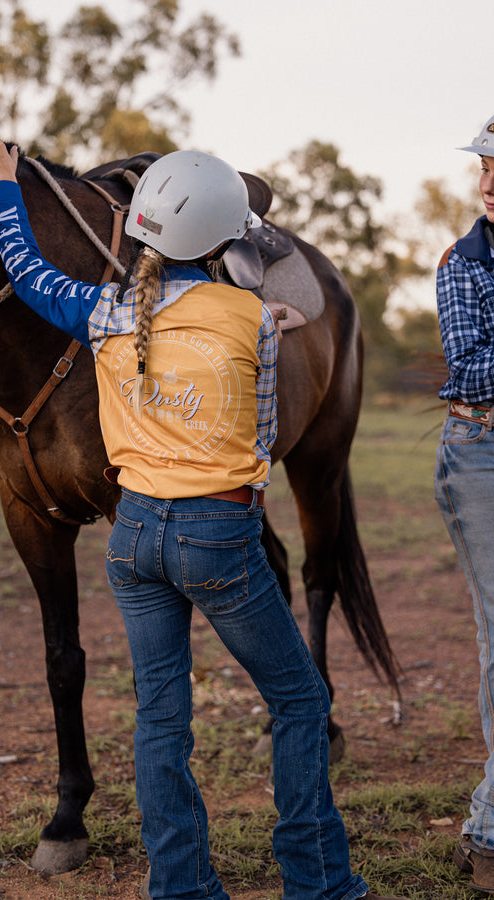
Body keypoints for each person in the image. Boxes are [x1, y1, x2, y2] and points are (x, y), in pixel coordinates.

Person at [0, 136, 406, 900]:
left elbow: (25, 269)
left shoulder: (103, 311)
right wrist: (270, 314)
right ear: (223, 243)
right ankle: (319, 881)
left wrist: (7, 184)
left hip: (133, 538)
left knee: (160, 718)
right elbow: (266, 427)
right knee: (301, 701)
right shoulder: (252, 321)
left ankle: (180, 884)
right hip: (217, 536)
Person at [435, 114, 494, 895]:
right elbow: (472, 373)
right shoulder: (464, 264)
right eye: (485, 169)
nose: (487, 184)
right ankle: (489, 833)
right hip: (482, 452)